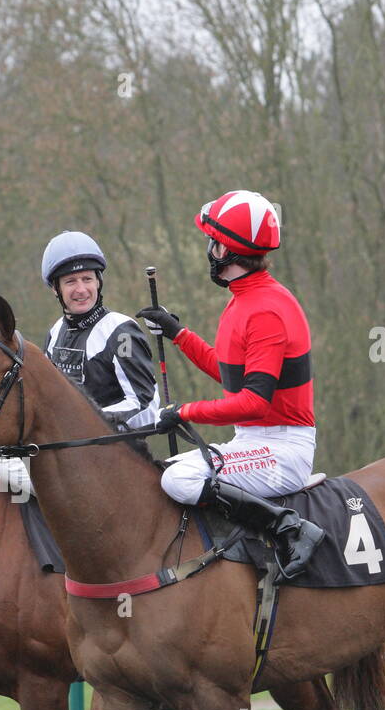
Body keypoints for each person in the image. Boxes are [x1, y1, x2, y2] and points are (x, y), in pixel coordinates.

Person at [138, 189, 323, 579]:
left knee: (179, 478)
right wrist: (178, 334)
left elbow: (253, 402)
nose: (209, 250)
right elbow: (232, 376)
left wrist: (185, 411)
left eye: (212, 242)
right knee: (162, 472)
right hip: (254, 442)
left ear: (226, 250)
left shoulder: (266, 310)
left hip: (282, 450)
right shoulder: (244, 299)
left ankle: (288, 527)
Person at [42, 231, 160, 429]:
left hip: (118, 445)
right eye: (71, 281)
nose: (81, 289)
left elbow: (145, 405)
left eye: (87, 279)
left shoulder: (121, 332)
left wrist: (86, 423)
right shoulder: (55, 333)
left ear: (98, 281)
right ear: (56, 289)